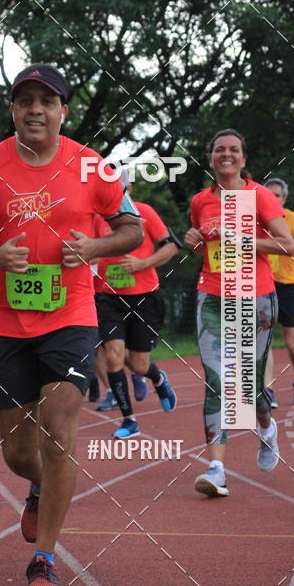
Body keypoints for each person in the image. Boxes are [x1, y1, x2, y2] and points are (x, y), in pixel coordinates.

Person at [0, 64, 143, 586]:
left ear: (63, 111)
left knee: (59, 430)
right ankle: (36, 487)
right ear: (12, 109)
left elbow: (133, 229)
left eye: (47, 101)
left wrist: (95, 247)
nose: (36, 109)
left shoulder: (92, 166)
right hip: (5, 320)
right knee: (16, 453)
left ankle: (44, 559)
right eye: (25, 100)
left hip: (73, 315)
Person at [184, 129, 294, 498]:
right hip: (212, 296)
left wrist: (241, 238)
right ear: (211, 157)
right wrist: (193, 240)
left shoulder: (259, 195)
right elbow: (206, 246)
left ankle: (265, 425)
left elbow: (287, 244)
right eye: (219, 150)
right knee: (217, 379)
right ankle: (216, 468)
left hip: (256, 297)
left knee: (246, 389)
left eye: (233, 150)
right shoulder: (200, 200)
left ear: (243, 159)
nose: (226, 155)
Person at [94, 180, 180, 437]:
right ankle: (129, 420)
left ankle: (158, 378)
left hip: (144, 298)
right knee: (113, 356)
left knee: (139, 365)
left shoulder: (145, 212)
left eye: (118, 189)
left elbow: (172, 246)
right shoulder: (95, 218)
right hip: (108, 298)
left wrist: (143, 263)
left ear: (128, 190)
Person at [263, 178, 294, 407]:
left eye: (277, 196)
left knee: (291, 342)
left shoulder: (292, 219)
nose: (273, 199)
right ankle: (269, 390)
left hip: (291, 285)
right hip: (264, 284)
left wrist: (285, 242)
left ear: (284, 199)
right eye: (268, 195)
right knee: (265, 340)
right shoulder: (258, 219)